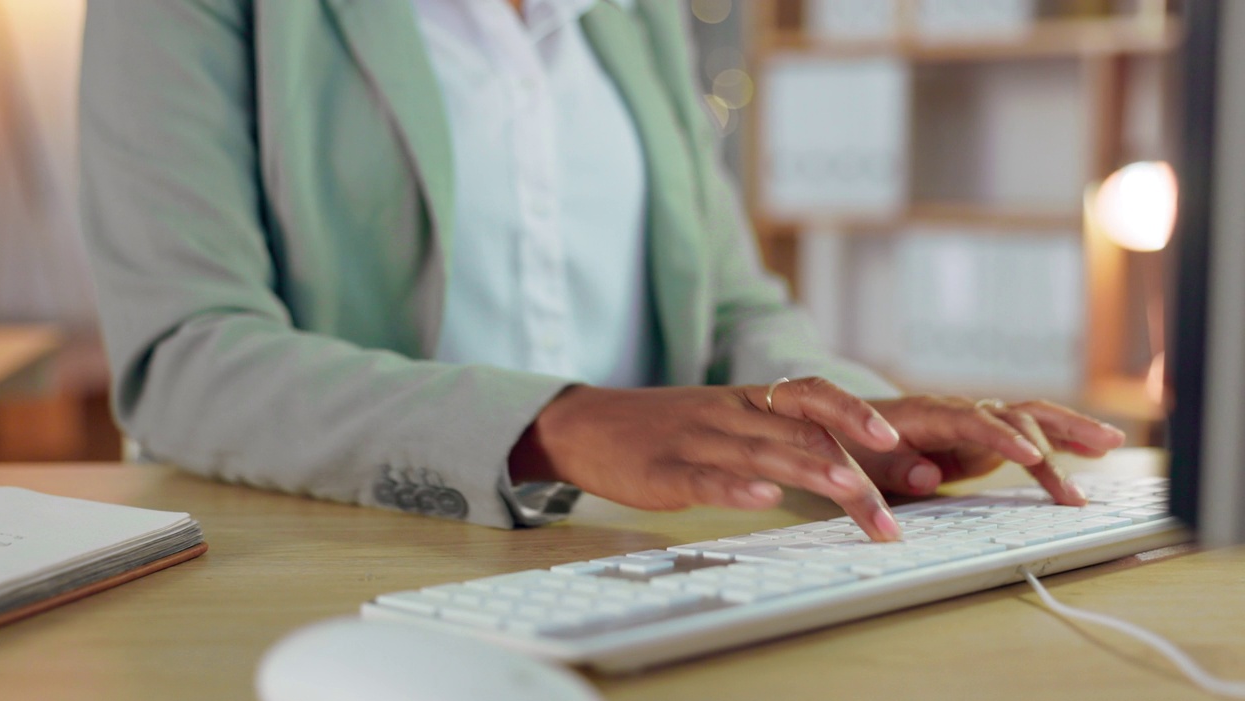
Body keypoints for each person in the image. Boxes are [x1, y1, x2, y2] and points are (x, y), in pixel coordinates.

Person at [79, 0, 1125, 542]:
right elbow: (183, 357)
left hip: (633, 565)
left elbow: (727, 303)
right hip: (339, 566)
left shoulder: (631, 17)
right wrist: (551, 424)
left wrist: (856, 428)